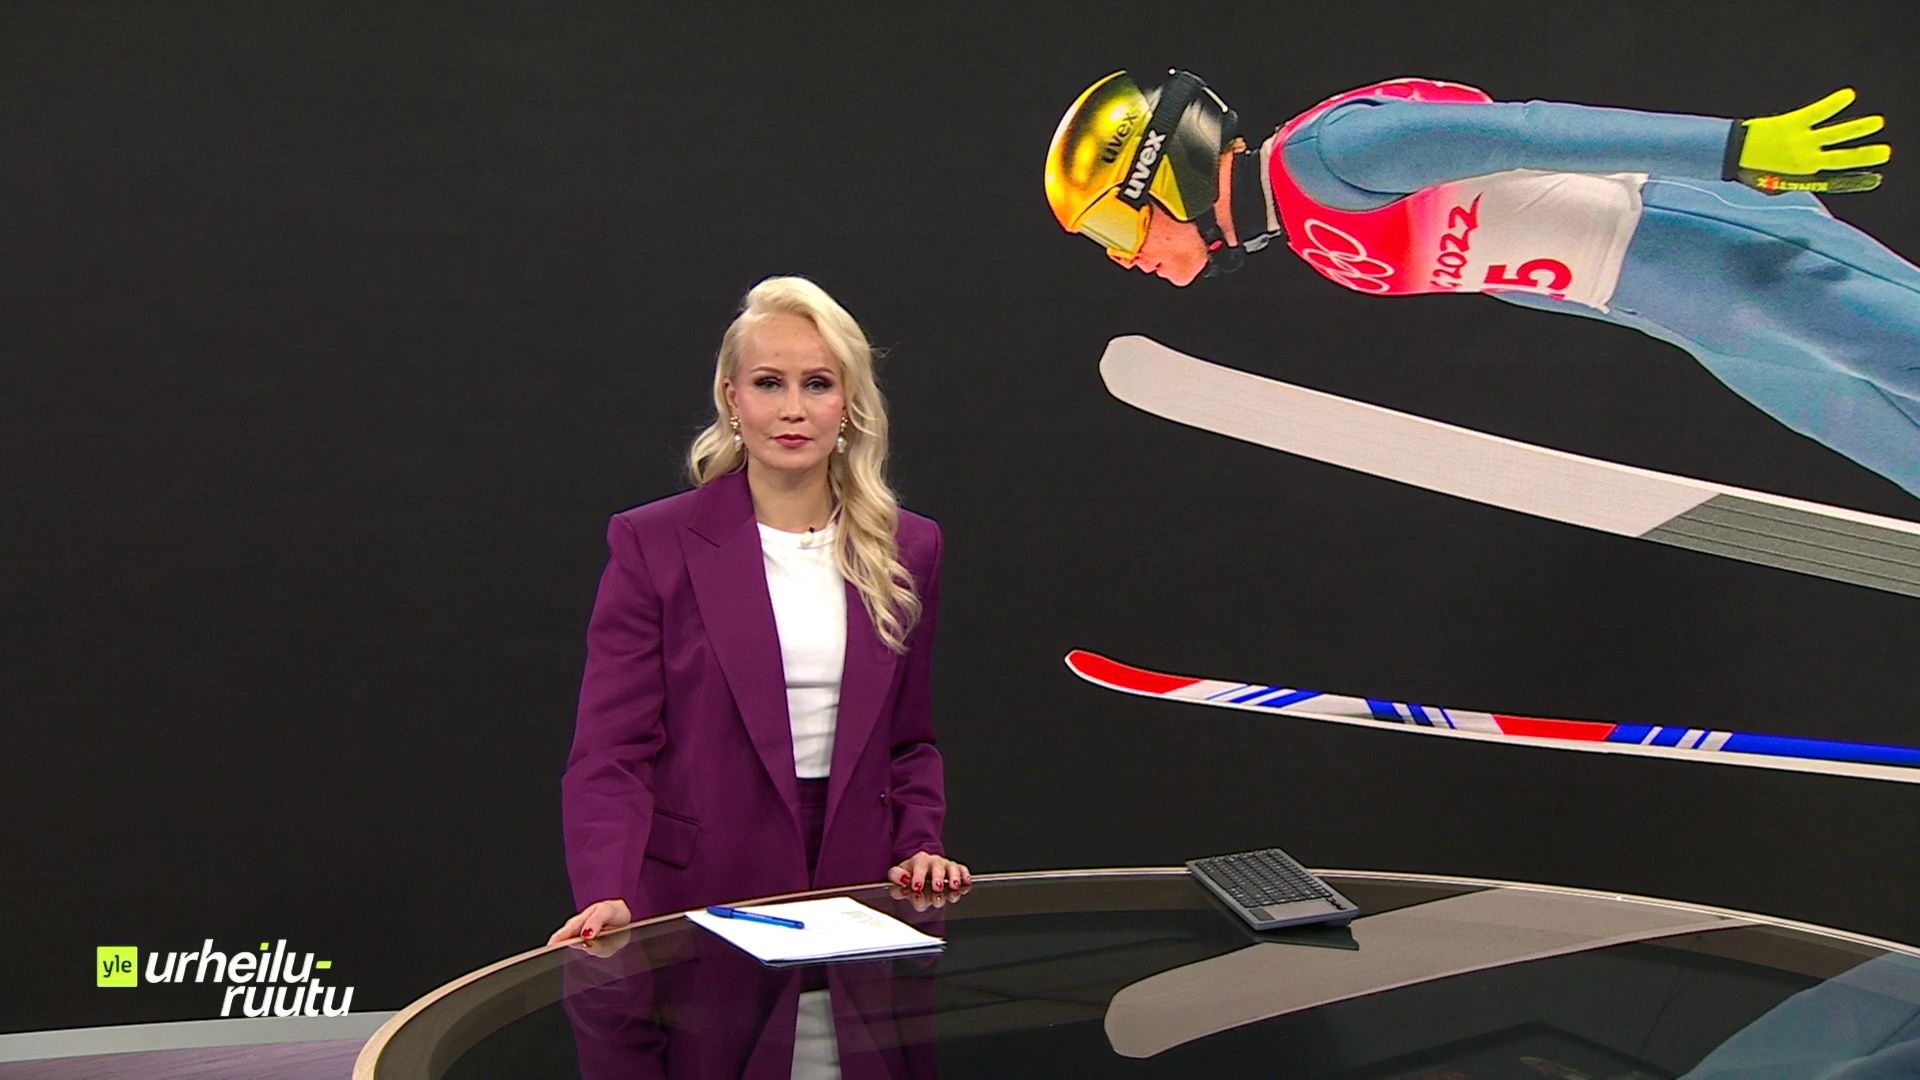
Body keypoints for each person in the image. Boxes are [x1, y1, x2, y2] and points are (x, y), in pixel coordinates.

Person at [1044, 70, 1920, 499]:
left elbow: (1531, 133)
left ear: (1165, 171)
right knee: (1879, 437)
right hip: (1676, 306)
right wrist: (1647, 310)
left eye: (1118, 228)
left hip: (1713, 245)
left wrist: (1730, 148)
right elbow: (1511, 256)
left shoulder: (1330, 154)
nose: (1127, 258)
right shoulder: (1310, 233)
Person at [548, 276, 969, 947]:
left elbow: (908, 740)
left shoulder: (910, 547)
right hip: (701, 891)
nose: (792, 409)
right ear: (732, 398)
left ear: (849, 402)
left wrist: (920, 843)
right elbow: (613, 749)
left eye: (818, 384)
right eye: (769, 383)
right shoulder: (653, 544)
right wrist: (608, 889)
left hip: (861, 884)